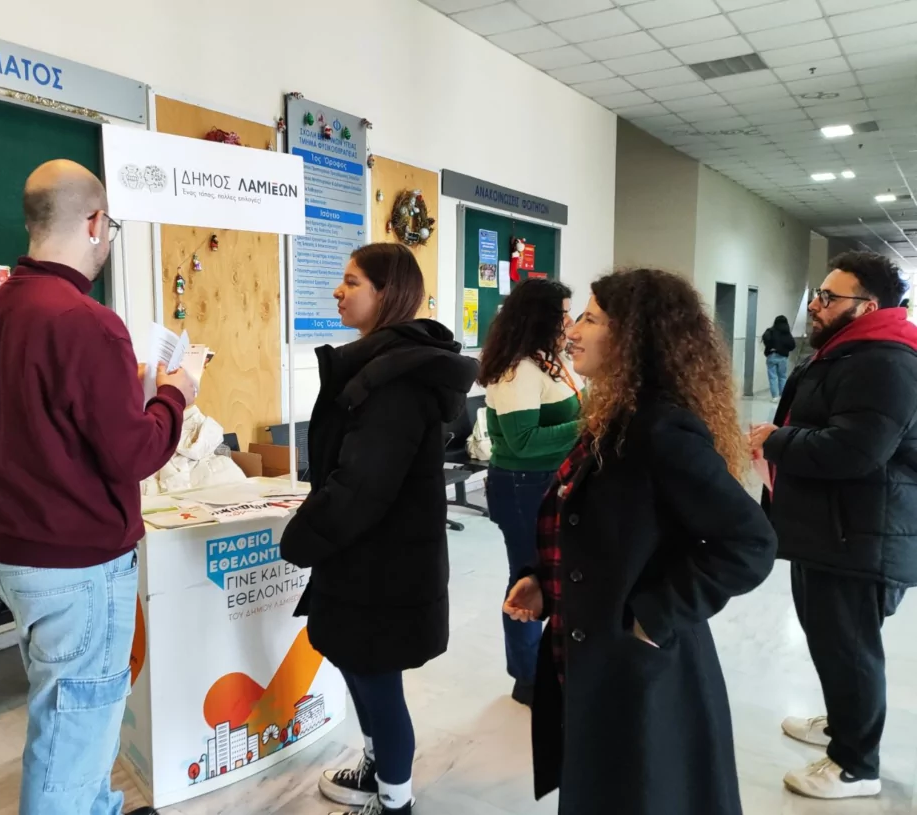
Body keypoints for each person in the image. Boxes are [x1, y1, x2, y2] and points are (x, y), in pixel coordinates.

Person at [0, 160, 196, 815]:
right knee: (73, 733)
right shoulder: (88, 321)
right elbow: (135, 452)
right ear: (95, 223)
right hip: (78, 565)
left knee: (77, 715)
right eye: (110, 227)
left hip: (18, 550)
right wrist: (176, 394)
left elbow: (51, 425)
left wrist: (133, 390)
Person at [505, 268, 778, 815]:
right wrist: (544, 582)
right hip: (597, 656)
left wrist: (656, 615)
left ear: (633, 337)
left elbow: (751, 541)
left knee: (640, 793)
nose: (572, 331)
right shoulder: (616, 416)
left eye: (590, 319)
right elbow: (603, 531)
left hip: (640, 668)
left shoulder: (660, 430)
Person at [280, 243, 478, 815]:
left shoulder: (396, 380)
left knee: (377, 683)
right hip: (365, 560)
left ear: (386, 293)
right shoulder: (382, 365)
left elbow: (362, 486)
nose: (338, 291)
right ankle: (375, 769)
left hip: (381, 567)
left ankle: (395, 803)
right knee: (359, 668)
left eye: (351, 282)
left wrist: (303, 536)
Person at [750, 251, 917, 801]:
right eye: (818, 294)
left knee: (850, 647)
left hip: (861, 535)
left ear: (866, 306)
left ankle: (855, 763)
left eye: (828, 297)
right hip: (834, 528)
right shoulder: (850, 351)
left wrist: (775, 440)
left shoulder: (885, 361)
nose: (816, 305)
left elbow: (855, 450)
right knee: (830, 638)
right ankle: (842, 722)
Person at [476, 279, 578, 707]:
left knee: (549, 577)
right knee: (525, 578)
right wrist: (589, 425)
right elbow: (523, 442)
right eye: (564, 314)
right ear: (541, 318)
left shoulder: (548, 361)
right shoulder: (517, 370)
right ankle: (527, 678)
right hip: (523, 485)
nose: (571, 323)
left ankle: (548, 668)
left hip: (546, 481)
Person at [762, 315, 796, 401]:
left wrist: (771, 347)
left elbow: (765, 339)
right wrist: (784, 349)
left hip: (772, 356)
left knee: (772, 377)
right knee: (782, 377)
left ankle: (775, 397)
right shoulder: (787, 333)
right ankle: (782, 396)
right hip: (783, 357)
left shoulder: (770, 331)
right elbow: (792, 345)